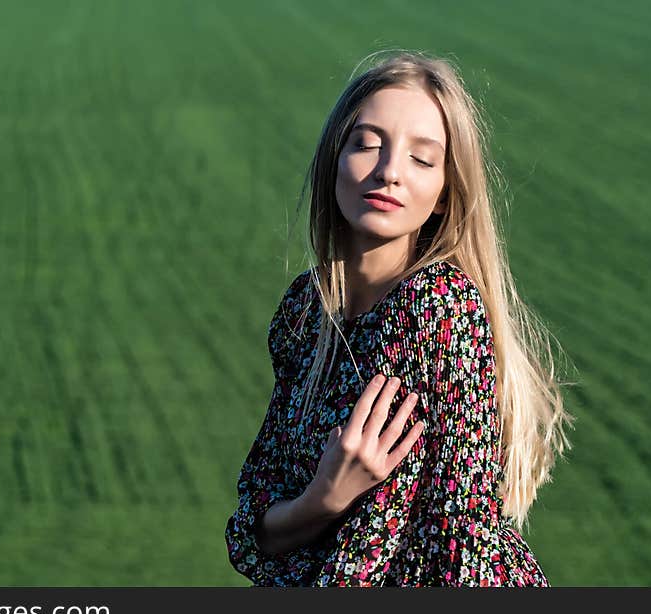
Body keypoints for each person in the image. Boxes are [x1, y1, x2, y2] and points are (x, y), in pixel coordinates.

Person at [224, 50, 574, 586]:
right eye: (367, 144)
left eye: (422, 158)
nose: (389, 172)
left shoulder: (436, 307)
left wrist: (305, 517)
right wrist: (325, 497)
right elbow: (253, 532)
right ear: (333, 159)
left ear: (443, 195)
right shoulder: (304, 311)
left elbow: (429, 544)